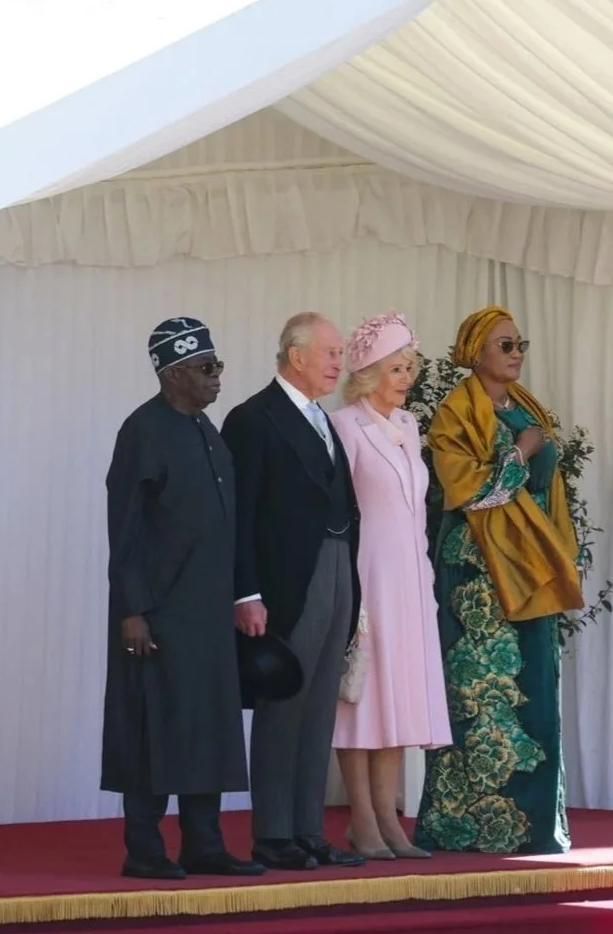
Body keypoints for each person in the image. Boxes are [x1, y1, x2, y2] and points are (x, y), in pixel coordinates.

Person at [416, 308, 582, 855]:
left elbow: (547, 492)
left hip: (530, 568)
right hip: (479, 578)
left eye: (520, 344)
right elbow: (468, 494)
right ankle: (466, 826)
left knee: (534, 690)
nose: (516, 353)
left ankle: (533, 826)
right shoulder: (454, 414)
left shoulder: (526, 407)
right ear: (476, 353)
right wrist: (521, 453)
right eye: (505, 345)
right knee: (479, 696)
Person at [101, 318, 258, 880]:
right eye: (205, 368)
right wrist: (131, 610)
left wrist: (243, 596)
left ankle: (204, 844)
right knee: (154, 729)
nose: (217, 378)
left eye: (218, 366)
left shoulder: (205, 430)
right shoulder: (143, 431)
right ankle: (144, 850)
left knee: (207, 726)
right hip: (159, 612)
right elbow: (126, 528)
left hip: (208, 613)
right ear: (172, 373)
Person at [222, 313, 365, 872]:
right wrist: (245, 593)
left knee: (319, 708)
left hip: (334, 570)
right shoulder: (253, 419)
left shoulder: (322, 419)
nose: (339, 363)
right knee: (284, 704)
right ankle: (273, 833)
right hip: (286, 580)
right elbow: (240, 517)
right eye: (330, 353)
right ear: (295, 355)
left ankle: (308, 829)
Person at [329, 314, 452, 860]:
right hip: (367, 571)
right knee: (362, 697)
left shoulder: (408, 424)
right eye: (397, 368)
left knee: (398, 696)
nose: (407, 377)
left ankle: (389, 821)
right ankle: (363, 819)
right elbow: (338, 510)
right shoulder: (345, 425)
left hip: (409, 574)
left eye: (410, 367)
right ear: (368, 371)